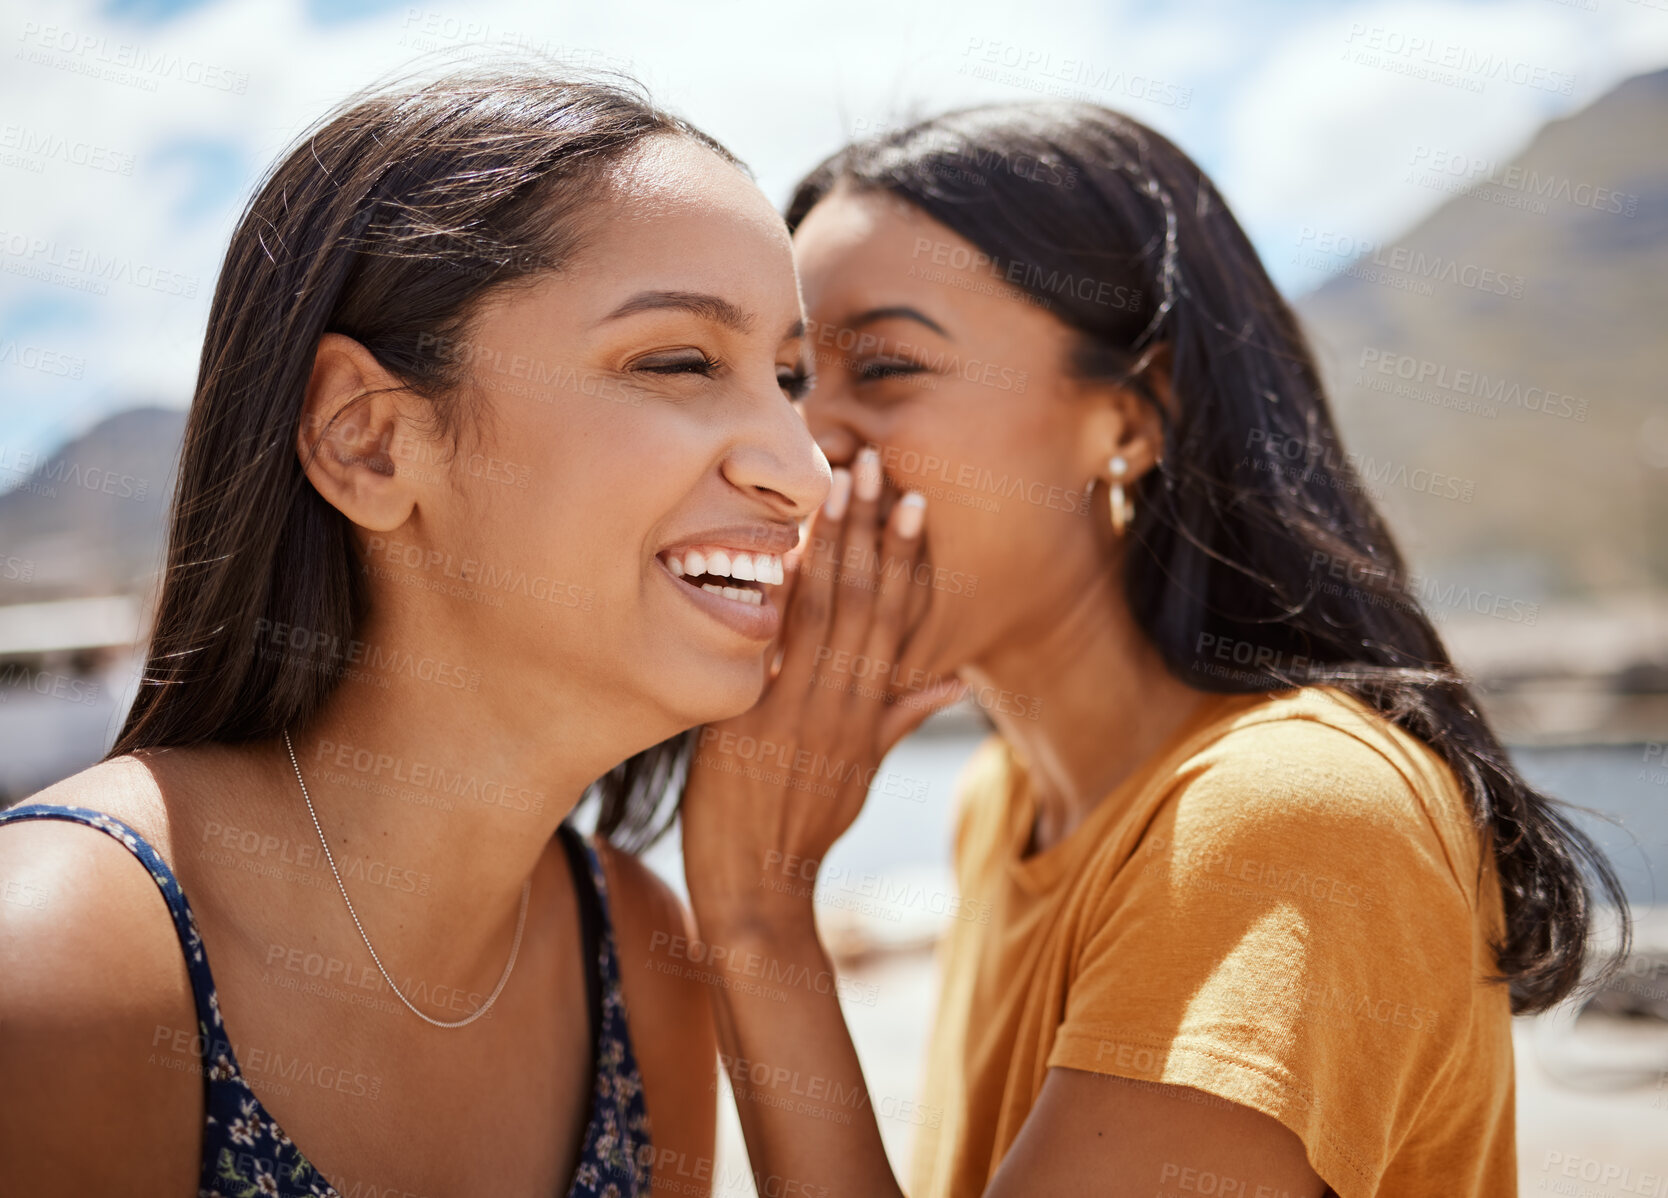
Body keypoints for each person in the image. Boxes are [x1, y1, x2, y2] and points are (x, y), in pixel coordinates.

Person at [678, 102, 1628, 1197]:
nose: (802, 448)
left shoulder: (1291, 813)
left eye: (885, 367)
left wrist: (756, 912)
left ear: (1133, 418)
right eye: (794, 379)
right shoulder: (1005, 800)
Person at [0, 67, 828, 1197]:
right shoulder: (57, 964)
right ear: (370, 442)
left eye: (790, 379)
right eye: (681, 360)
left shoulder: (636, 955)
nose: (803, 469)